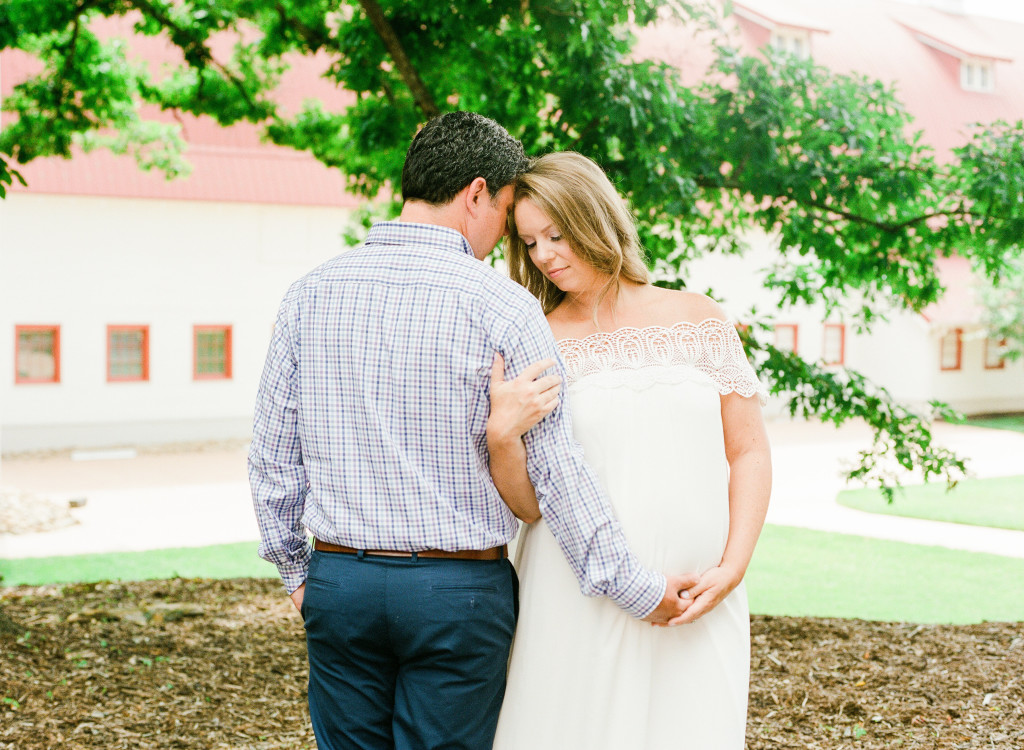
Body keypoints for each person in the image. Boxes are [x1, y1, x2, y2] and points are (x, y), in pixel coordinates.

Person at [247, 113, 698, 750]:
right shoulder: (503, 305)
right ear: (477, 193)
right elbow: (557, 471)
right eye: (508, 210)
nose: (507, 238)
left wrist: (298, 575)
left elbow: (271, 458)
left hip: (339, 582)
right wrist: (638, 589)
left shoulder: (308, 295)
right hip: (456, 594)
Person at [488, 151, 772, 749]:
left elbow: (748, 451)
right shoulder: (535, 339)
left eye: (556, 235)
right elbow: (528, 505)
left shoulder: (699, 318)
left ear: (596, 218)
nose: (543, 256)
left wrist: (733, 568)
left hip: (700, 596)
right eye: (530, 241)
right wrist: (501, 434)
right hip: (576, 595)